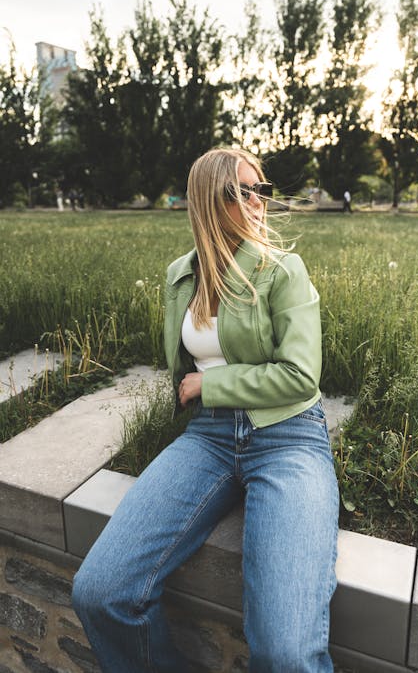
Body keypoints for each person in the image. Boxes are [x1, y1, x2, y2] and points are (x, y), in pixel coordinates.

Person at [72, 147, 339, 673]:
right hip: (209, 439)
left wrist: (208, 384)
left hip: (288, 437)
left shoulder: (282, 270)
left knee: (284, 653)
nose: (258, 201)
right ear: (205, 199)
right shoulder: (181, 274)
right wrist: (196, 394)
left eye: (260, 188)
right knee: (100, 592)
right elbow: (184, 356)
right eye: (241, 191)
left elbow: (301, 375)